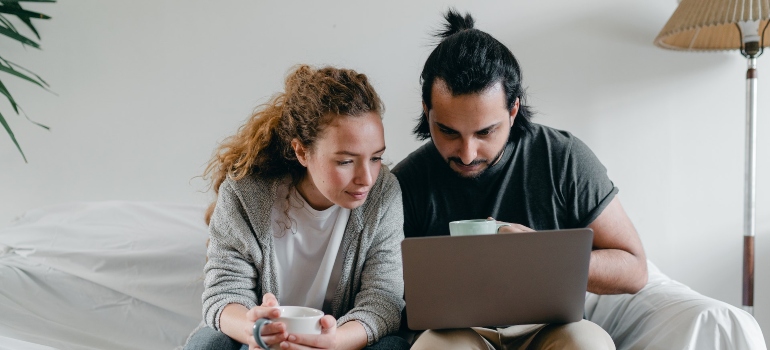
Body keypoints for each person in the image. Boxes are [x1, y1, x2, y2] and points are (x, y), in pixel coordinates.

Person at [391, 10, 648, 350]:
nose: (467, 153)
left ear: (513, 110)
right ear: (428, 112)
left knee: (589, 345)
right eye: (448, 131)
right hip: (455, 331)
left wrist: (542, 256)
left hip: (551, 327)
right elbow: (382, 286)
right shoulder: (407, 180)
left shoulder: (563, 158)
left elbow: (634, 270)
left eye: (486, 132)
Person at [183, 65, 409, 350]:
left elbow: (383, 301)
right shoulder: (245, 191)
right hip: (258, 341)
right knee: (209, 344)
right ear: (302, 151)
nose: (367, 178)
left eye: (376, 158)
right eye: (345, 161)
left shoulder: (383, 193)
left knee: (393, 346)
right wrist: (257, 330)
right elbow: (224, 293)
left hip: (342, 338)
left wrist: (331, 342)